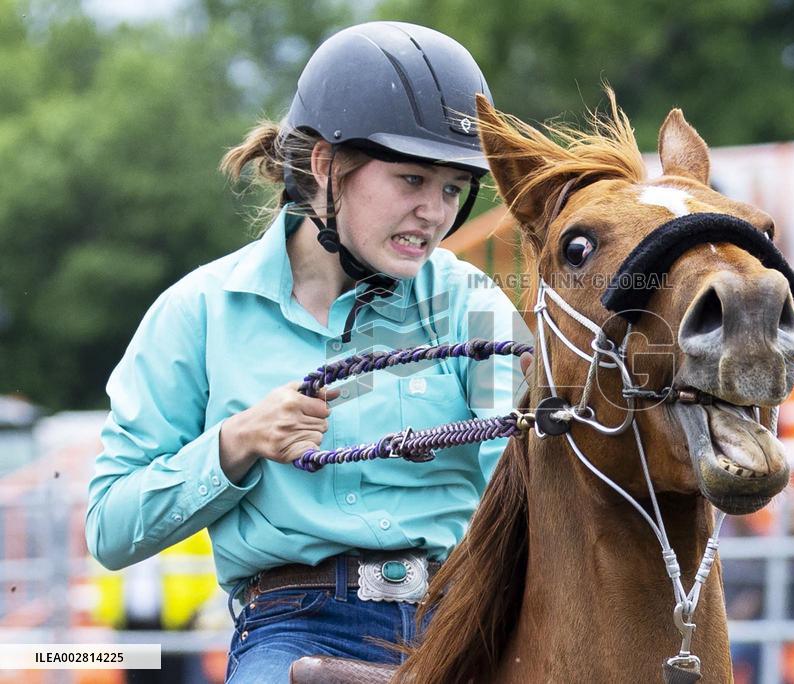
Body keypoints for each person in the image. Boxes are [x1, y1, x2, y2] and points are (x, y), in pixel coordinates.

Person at [85, 21, 532, 684]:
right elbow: (111, 526)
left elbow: (532, 486)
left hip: (465, 620)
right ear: (325, 165)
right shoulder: (199, 313)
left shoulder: (475, 305)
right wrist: (235, 443)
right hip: (291, 628)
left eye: (449, 188)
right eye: (411, 179)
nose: (434, 213)